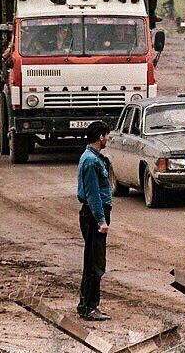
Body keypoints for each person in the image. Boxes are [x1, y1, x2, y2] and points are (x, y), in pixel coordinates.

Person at [77, 121, 113, 321]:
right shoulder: (91, 161)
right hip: (93, 215)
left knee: (94, 260)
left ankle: (88, 305)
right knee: (94, 263)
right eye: (106, 135)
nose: (107, 139)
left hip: (94, 214)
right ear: (100, 137)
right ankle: (88, 307)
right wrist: (101, 220)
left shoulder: (93, 158)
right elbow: (93, 194)